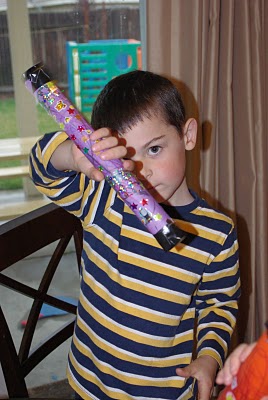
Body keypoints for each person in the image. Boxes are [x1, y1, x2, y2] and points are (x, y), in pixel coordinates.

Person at [29, 70, 241, 400]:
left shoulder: (218, 234)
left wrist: (210, 358)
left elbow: (220, 304)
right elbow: (43, 170)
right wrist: (72, 155)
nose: (141, 171)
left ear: (187, 135)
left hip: (162, 393)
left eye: (154, 149)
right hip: (89, 386)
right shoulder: (103, 199)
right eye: (125, 158)